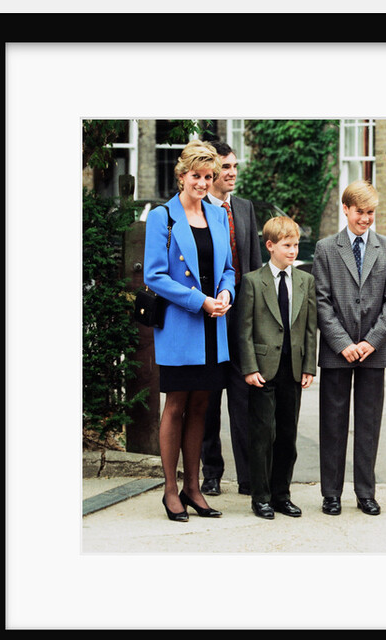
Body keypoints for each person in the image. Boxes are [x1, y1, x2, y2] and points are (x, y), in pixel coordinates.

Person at [144, 140, 235, 521]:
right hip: (183, 325)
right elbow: (154, 275)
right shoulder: (161, 217)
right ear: (181, 176)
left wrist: (227, 290)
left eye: (208, 176)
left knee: (203, 406)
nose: (202, 182)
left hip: (215, 327)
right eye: (196, 176)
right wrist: (200, 301)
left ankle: (194, 488)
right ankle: (170, 491)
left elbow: (228, 268)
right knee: (177, 405)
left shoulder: (217, 216)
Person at [312, 180, 386, 517]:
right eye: (360, 212)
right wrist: (342, 343)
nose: (366, 219)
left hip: (373, 351)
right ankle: (331, 493)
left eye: (371, 213)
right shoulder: (325, 248)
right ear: (346, 210)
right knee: (333, 423)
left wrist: (370, 342)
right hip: (338, 351)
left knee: (368, 424)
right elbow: (321, 301)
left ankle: (365, 491)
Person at [237, 216, 317, 519]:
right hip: (262, 369)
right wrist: (248, 367)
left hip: (293, 369)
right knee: (262, 434)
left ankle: (282, 494)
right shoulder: (254, 281)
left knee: (287, 434)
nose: (293, 251)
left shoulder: (305, 281)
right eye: (287, 245)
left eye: (296, 245)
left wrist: (309, 365)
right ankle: (261, 497)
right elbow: (244, 329)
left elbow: (311, 328)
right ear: (270, 246)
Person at [200, 142, 262, 498]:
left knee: (244, 399)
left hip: (241, 318)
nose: (232, 172)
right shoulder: (194, 211)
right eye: (225, 167)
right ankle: (211, 472)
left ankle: (248, 476)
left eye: (234, 166)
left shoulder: (244, 208)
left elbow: (252, 266)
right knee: (209, 401)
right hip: (210, 317)